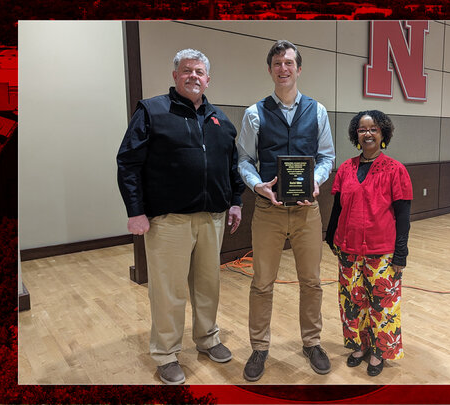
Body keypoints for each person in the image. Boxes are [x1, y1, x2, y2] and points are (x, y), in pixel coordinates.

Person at [116, 49, 245, 385]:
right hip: (168, 219)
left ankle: (208, 339)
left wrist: (235, 201)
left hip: (212, 218)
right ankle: (166, 354)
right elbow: (128, 163)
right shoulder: (152, 110)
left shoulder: (220, 119)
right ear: (175, 76)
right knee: (168, 290)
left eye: (199, 72)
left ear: (208, 78)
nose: (193, 76)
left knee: (208, 286)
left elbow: (230, 166)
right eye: (186, 70)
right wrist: (136, 211)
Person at [236, 40, 335, 382]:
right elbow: (245, 160)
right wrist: (256, 185)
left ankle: (312, 342)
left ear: (298, 69)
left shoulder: (317, 111)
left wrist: (317, 180)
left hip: (308, 211)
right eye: (277, 63)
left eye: (289, 63)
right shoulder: (254, 113)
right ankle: (260, 347)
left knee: (312, 282)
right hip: (268, 210)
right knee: (262, 283)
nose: (283, 68)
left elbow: (326, 157)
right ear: (270, 69)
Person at [324, 110, 413, 377]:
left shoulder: (395, 169)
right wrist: (330, 237)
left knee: (381, 305)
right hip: (348, 249)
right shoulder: (346, 168)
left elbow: (403, 216)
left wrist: (400, 254)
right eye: (362, 130)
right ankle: (359, 345)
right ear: (356, 135)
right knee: (353, 301)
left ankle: (379, 351)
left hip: (381, 251)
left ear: (383, 133)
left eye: (373, 128)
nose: (368, 134)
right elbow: (338, 208)